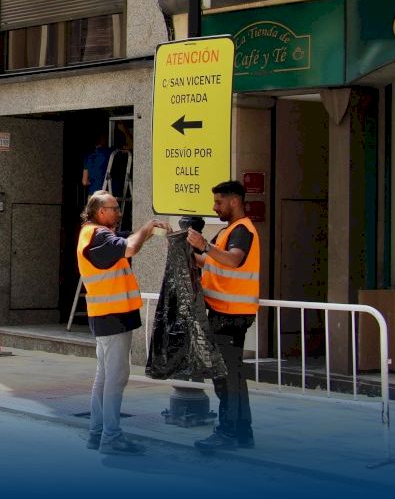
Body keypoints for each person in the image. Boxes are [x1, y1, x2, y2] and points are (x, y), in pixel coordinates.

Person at [77, 191, 169, 455]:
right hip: (112, 315)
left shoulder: (93, 234)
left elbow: (127, 241)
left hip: (106, 315)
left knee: (105, 377)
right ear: (100, 212)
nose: (118, 212)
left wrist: (148, 232)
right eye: (114, 208)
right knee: (115, 379)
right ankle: (111, 437)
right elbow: (130, 247)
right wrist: (147, 228)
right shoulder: (99, 236)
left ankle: (97, 433)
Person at [187, 180, 260, 451]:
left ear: (234, 201)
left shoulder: (241, 230)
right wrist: (187, 252)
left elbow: (233, 259)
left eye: (219, 202)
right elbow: (211, 261)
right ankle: (242, 432)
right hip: (227, 311)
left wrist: (204, 245)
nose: (214, 207)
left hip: (230, 314)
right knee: (233, 376)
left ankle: (228, 432)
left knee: (226, 378)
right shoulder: (228, 231)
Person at [81, 133, 114, 197]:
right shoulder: (109, 152)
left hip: (92, 194)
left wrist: (94, 181)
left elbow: (84, 182)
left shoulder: (88, 157)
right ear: (102, 140)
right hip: (106, 194)